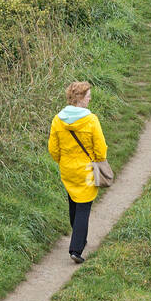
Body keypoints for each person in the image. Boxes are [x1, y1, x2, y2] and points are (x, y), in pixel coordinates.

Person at [48, 80, 108, 264]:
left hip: (67, 169)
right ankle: (76, 248)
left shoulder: (58, 119)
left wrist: (62, 161)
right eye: (88, 97)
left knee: (73, 201)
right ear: (80, 98)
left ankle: (78, 234)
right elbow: (100, 148)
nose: (90, 100)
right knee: (83, 207)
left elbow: (53, 148)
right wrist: (99, 160)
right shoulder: (91, 120)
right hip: (86, 170)